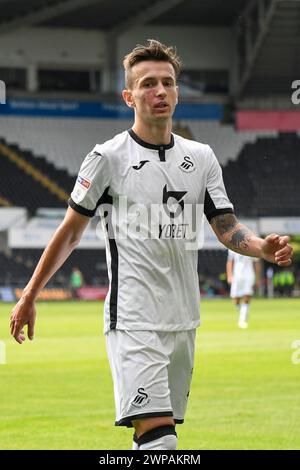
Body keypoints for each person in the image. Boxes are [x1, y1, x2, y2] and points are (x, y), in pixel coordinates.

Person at [10, 39, 293, 451]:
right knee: (162, 440)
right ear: (129, 96)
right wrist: (30, 294)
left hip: (184, 320)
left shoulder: (202, 157)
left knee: (153, 440)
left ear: (177, 92)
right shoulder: (106, 158)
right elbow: (70, 232)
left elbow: (226, 226)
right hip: (133, 320)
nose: (159, 91)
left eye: (167, 83)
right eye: (147, 84)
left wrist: (260, 248)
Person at [226, 250, 261, 329]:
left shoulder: (251, 244)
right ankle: (243, 312)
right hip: (237, 275)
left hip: (249, 274)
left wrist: (257, 278)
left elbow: (256, 263)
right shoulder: (232, 246)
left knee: (247, 296)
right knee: (236, 299)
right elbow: (230, 261)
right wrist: (229, 275)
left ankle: (242, 320)